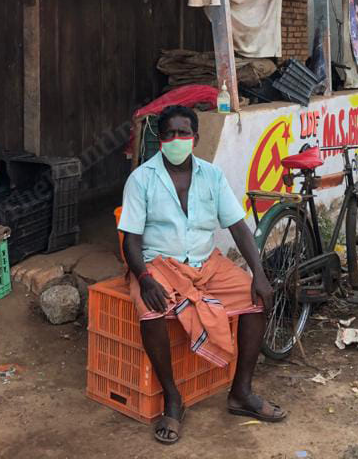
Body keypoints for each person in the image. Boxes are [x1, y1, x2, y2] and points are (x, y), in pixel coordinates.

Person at [118, 105, 285, 444]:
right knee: (151, 310)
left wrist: (259, 273)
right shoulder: (141, 179)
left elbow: (238, 226)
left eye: (183, 133)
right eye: (169, 134)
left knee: (256, 297)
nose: (176, 140)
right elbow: (131, 241)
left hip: (206, 264)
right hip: (158, 265)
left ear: (195, 137)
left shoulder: (212, 176)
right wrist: (144, 278)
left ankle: (241, 392)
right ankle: (173, 400)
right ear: (159, 138)